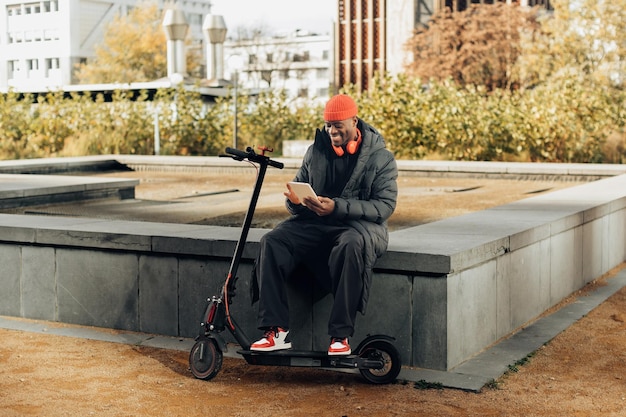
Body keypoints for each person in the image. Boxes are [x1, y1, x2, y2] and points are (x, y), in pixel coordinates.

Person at [250, 94, 398, 355]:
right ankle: (276, 331)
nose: (331, 131)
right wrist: (297, 202)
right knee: (272, 241)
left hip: (358, 228)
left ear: (354, 121)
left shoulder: (381, 158)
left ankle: (340, 336)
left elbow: (384, 207)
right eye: (328, 125)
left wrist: (337, 206)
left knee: (351, 245)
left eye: (338, 125)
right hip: (315, 222)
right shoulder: (315, 151)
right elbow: (297, 195)